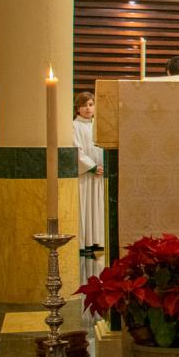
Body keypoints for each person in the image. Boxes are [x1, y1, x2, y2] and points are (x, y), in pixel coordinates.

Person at [72, 91, 105, 254]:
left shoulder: (99, 125)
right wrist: (91, 167)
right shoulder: (74, 126)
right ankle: (85, 241)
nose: (88, 108)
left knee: (98, 207)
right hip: (85, 175)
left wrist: (103, 165)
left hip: (99, 173)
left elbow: (104, 146)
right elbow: (76, 149)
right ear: (78, 108)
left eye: (91, 104)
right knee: (85, 206)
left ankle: (98, 239)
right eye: (84, 105)